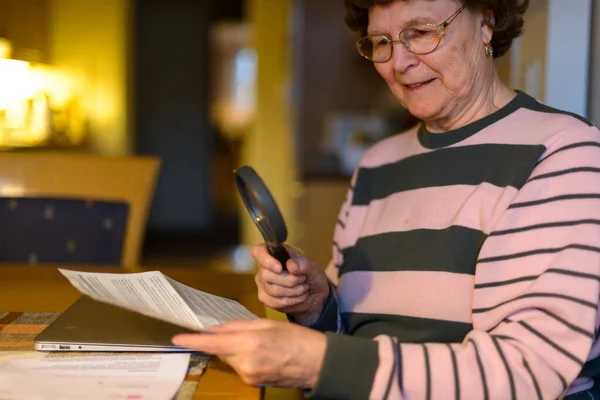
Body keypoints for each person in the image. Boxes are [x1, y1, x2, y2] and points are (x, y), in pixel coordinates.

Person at [172, 0, 600, 398]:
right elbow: (354, 333)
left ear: (486, 21)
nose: (399, 62)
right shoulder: (378, 163)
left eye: (421, 32)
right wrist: (318, 303)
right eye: (381, 42)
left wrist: (315, 362)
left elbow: (525, 372)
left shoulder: (562, 153)